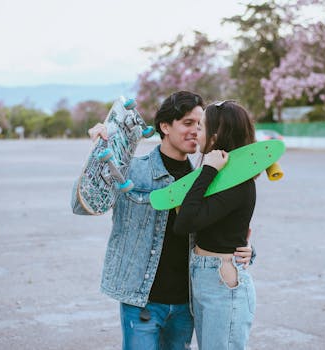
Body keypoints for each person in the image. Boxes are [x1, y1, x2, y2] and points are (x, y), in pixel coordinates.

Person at [74, 91, 254, 350]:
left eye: (200, 125)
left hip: (187, 304)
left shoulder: (206, 178)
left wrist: (245, 251)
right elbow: (82, 205)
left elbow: (223, 228)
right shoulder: (132, 170)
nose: (195, 131)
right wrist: (97, 153)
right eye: (188, 123)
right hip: (143, 300)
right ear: (165, 126)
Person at [173, 100, 257, 349]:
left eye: (201, 126)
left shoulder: (236, 183)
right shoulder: (223, 177)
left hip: (221, 279)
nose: (196, 132)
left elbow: (185, 222)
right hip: (205, 273)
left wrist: (207, 170)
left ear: (216, 136)